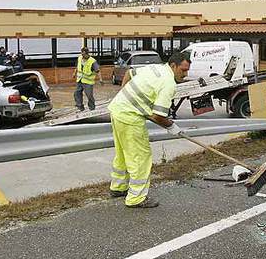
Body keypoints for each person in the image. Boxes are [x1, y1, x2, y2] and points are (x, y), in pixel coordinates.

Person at [107, 52, 191, 208]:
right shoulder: (168, 83)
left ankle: (118, 187)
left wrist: (123, 95)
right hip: (129, 117)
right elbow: (158, 116)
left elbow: (129, 73)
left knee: (123, 153)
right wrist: (172, 126)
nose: (185, 74)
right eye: (183, 70)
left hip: (117, 109)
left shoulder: (155, 68)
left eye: (187, 71)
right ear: (173, 66)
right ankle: (136, 198)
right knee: (141, 157)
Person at [72, 47, 103, 111]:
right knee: (77, 93)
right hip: (80, 79)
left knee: (89, 95)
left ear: (87, 53)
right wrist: (74, 73)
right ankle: (80, 106)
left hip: (88, 81)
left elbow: (98, 71)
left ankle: (92, 107)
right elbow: (77, 67)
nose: (82, 56)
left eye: (84, 54)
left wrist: (100, 79)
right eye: (82, 54)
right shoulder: (80, 58)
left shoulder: (92, 61)